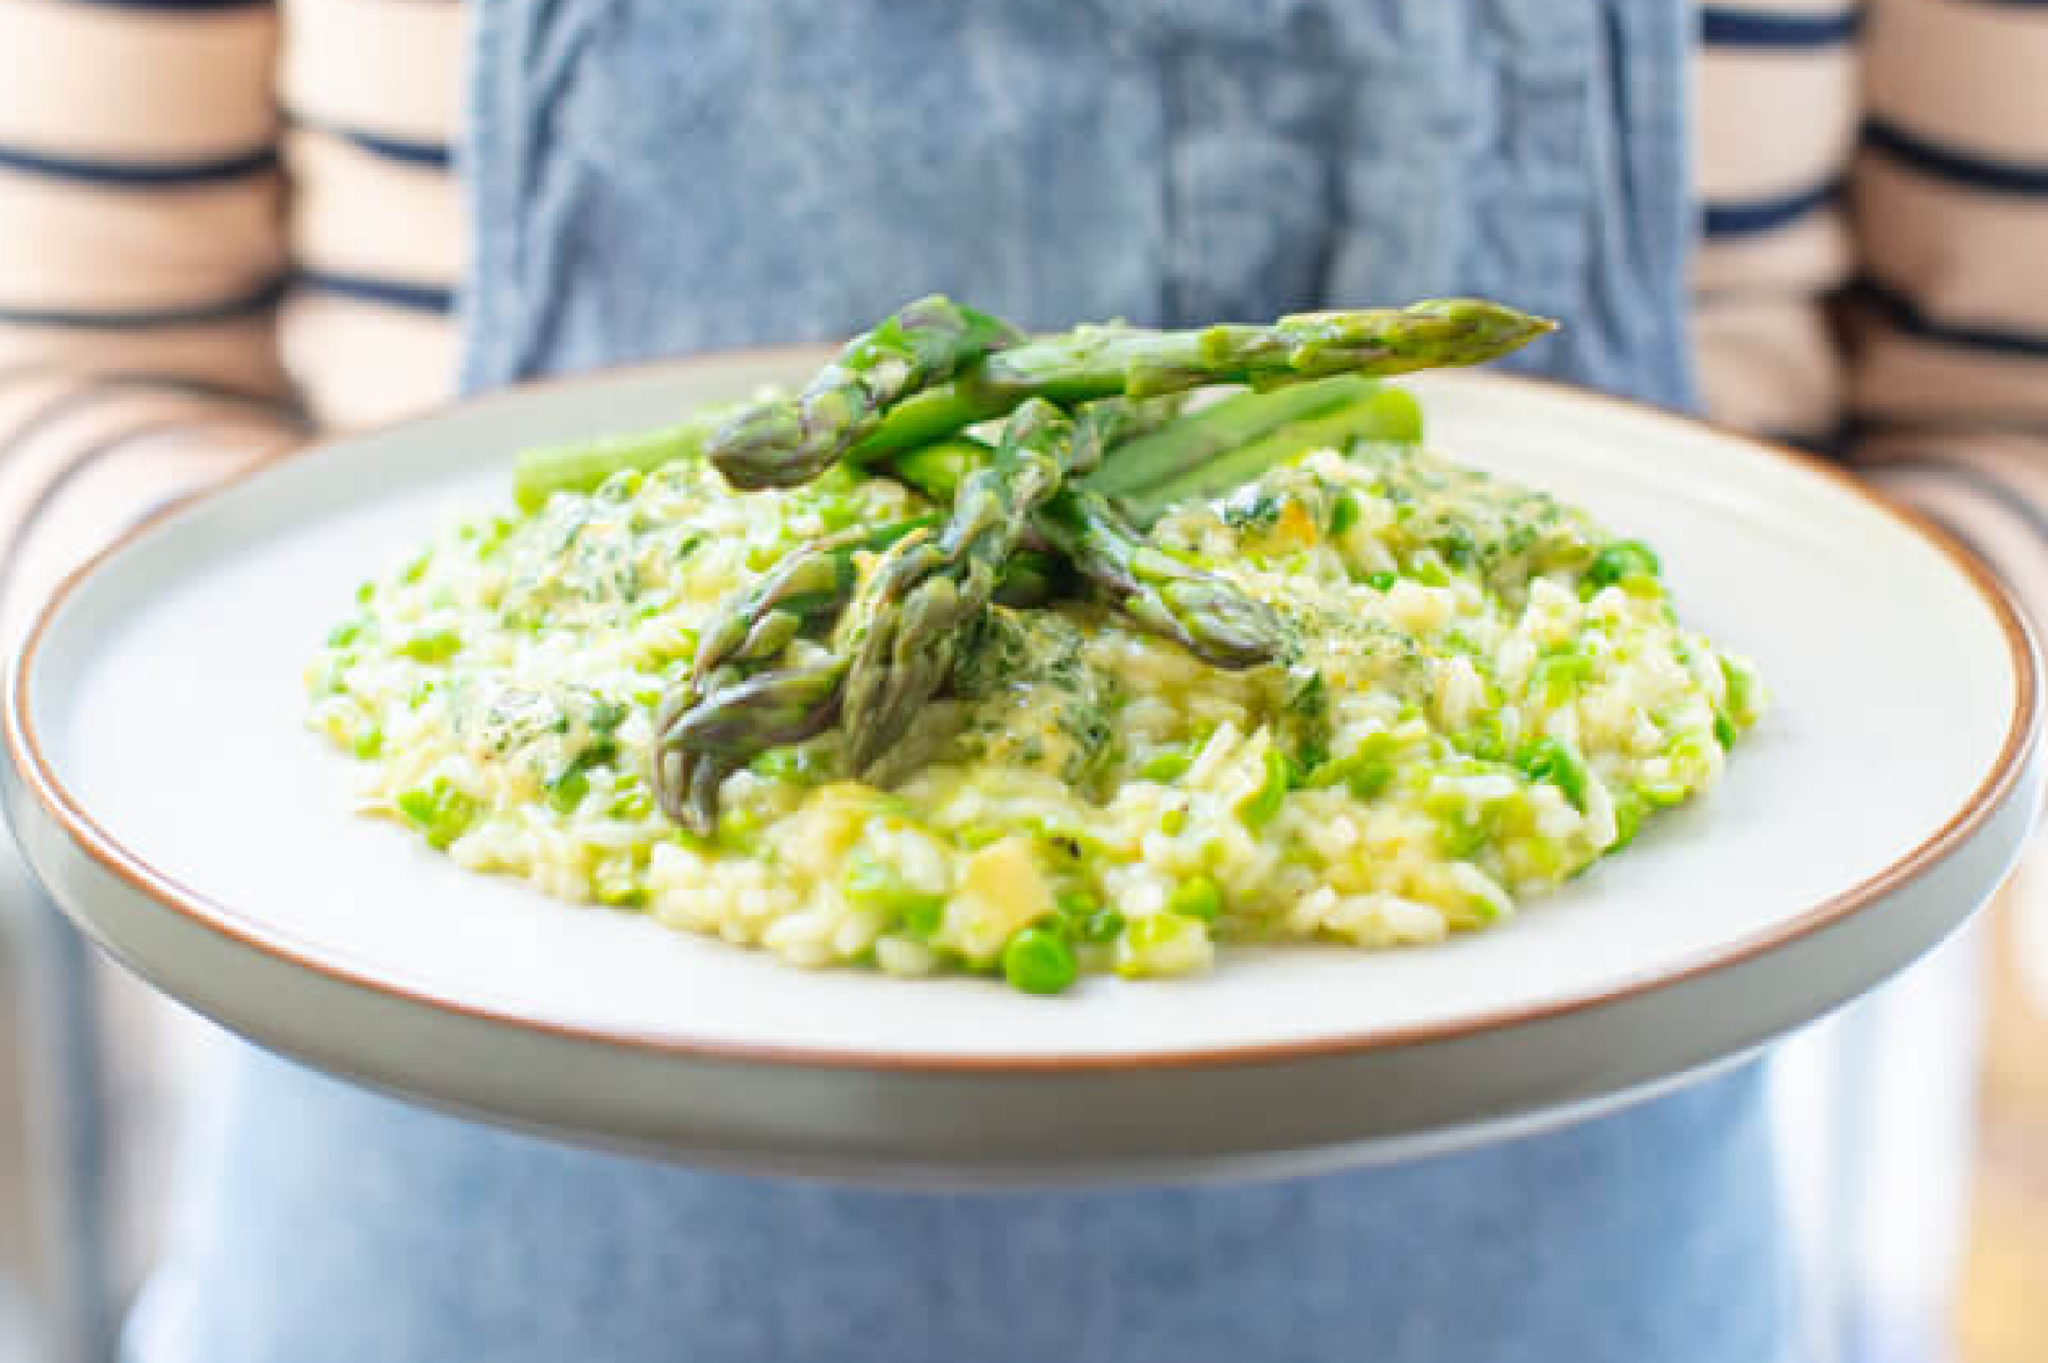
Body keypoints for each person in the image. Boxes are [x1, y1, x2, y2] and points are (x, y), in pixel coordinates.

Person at [1, 1, 2041, 1359]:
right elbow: (77, 350)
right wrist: (205, 674)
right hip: (449, 1265)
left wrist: (1908, 694)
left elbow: (2005, 397)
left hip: (1563, 1272)